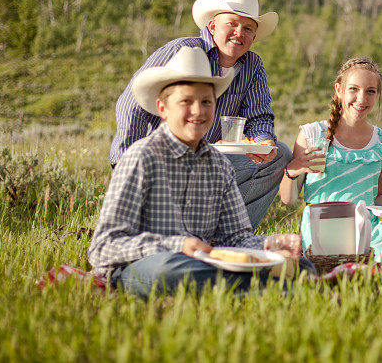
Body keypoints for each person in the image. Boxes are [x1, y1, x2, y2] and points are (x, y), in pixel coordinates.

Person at [89, 46, 305, 297]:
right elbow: (103, 247)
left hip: (201, 263)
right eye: (186, 102)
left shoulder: (218, 165)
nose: (198, 111)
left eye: (206, 102)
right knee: (173, 268)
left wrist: (271, 244)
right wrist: (177, 245)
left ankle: (269, 285)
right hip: (143, 267)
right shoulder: (141, 158)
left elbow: (235, 240)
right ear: (162, 108)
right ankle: (276, 289)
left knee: (301, 263)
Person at [110, 0, 290, 229]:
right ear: (213, 26)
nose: (240, 33)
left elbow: (259, 116)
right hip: (166, 160)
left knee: (279, 154)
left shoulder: (253, 65)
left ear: (254, 37)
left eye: (248, 28)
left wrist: (263, 140)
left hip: (211, 159)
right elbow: (132, 105)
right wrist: (126, 166)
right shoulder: (182, 51)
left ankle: (229, 237)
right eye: (233, 24)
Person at [279, 57, 382, 264]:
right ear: (339, 90)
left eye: (371, 91)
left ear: (377, 95)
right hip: (322, 227)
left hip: (367, 227)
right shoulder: (312, 134)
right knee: (360, 263)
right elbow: (288, 200)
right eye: (354, 89)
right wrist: (292, 171)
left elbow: (376, 198)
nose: (362, 99)